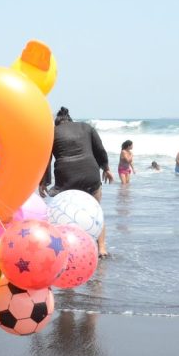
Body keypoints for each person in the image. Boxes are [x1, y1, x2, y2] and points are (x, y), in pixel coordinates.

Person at [39, 107, 113, 259]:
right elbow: (100, 150)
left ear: (57, 123)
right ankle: (102, 248)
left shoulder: (53, 133)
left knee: (65, 213)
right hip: (90, 174)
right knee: (97, 210)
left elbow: (46, 159)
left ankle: (66, 249)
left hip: (66, 176)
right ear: (70, 120)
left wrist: (44, 182)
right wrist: (106, 168)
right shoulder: (87, 127)